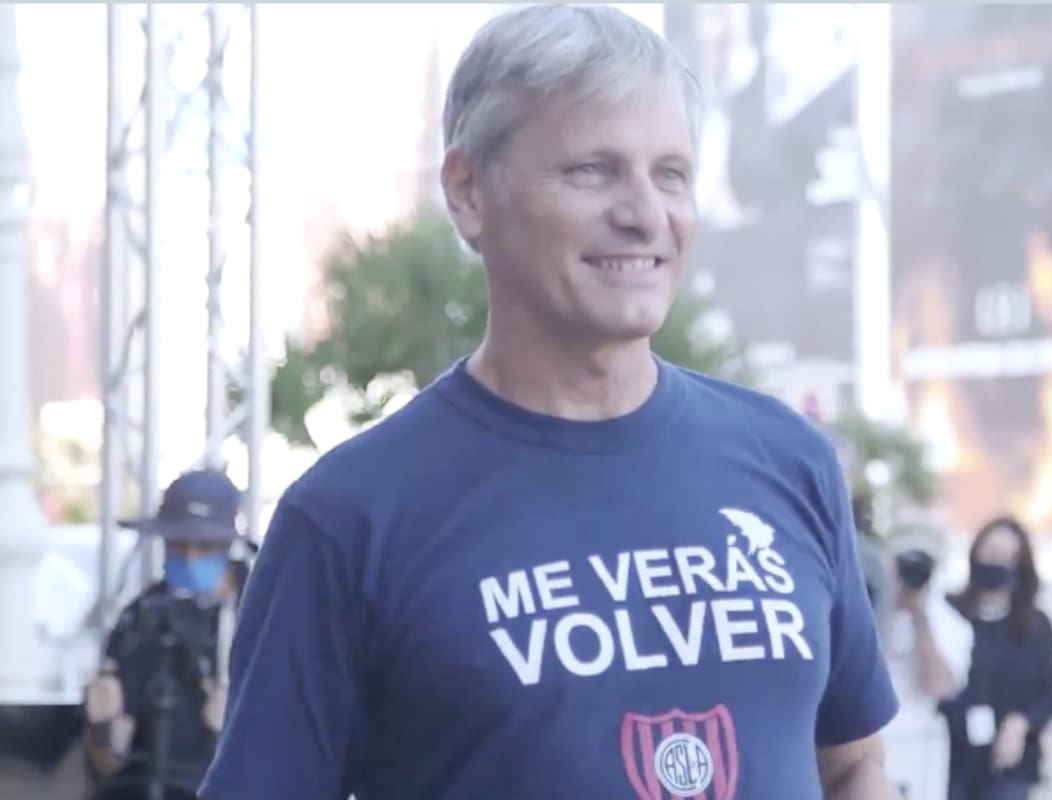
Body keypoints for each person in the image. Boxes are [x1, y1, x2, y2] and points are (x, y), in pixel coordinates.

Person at [200, 6, 898, 799]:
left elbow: (852, 761)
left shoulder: (787, 459)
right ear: (468, 191)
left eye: (670, 172)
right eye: (592, 170)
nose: (645, 213)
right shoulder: (350, 519)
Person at [84, 469, 246, 800]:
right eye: (177, 543)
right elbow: (108, 762)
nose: (190, 556)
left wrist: (236, 730)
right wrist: (103, 727)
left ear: (227, 545)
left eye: (204, 545)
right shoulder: (141, 616)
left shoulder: (260, 615)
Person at [940, 517, 1052, 800]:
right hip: (949, 763)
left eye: (1006, 557)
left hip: (1007, 770)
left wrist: (1020, 724)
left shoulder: (1035, 626)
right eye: (991, 553)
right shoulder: (949, 613)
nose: (996, 562)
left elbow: (1048, 697)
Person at [878, 519, 974, 799]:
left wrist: (919, 617)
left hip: (915, 751)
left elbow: (938, 686)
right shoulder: (866, 608)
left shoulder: (951, 624)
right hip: (866, 744)